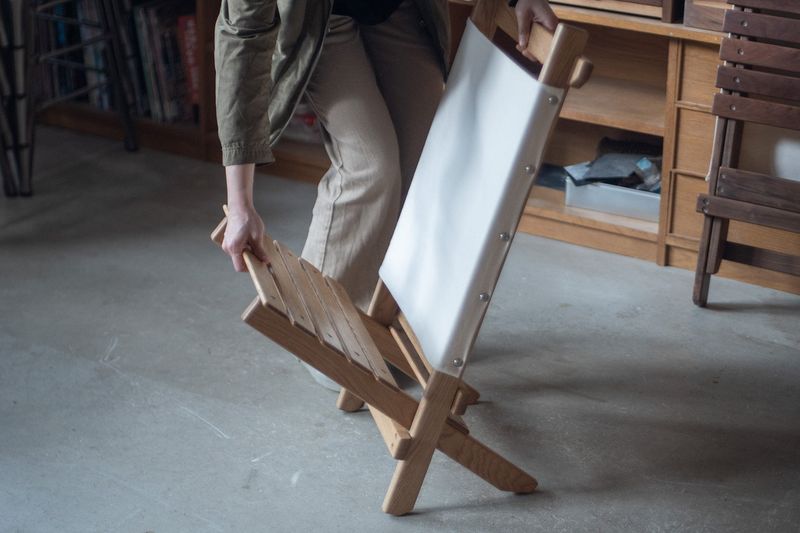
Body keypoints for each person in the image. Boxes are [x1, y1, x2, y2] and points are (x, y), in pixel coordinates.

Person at [215, 0, 557, 387]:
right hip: (324, 19)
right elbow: (242, 37)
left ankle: (383, 316)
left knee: (427, 152)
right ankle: (322, 335)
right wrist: (241, 204)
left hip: (397, 7)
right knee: (370, 165)